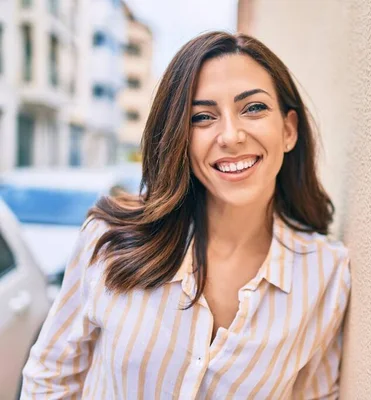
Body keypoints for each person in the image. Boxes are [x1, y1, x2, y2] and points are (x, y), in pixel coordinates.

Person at [20, 31, 351, 399]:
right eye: (203, 117)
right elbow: (50, 378)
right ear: (180, 137)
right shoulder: (109, 240)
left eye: (253, 108)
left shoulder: (325, 274)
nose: (231, 135)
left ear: (288, 130)